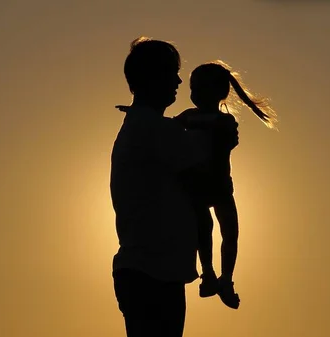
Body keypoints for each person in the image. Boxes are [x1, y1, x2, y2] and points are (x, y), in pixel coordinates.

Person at [110, 38, 238, 337]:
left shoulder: (152, 126)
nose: (180, 81)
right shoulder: (156, 130)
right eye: (172, 72)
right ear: (153, 78)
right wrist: (223, 143)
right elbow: (206, 174)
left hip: (154, 273)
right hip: (151, 277)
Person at [174, 60, 276, 309]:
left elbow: (214, 127)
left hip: (219, 185)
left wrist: (189, 123)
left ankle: (226, 278)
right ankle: (208, 273)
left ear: (218, 93)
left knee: (230, 232)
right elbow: (170, 126)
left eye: (198, 89)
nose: (194, 95)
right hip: (198, 185)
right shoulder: (191, 116)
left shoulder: (224, 121)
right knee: (204, 227)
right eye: (192, 89)